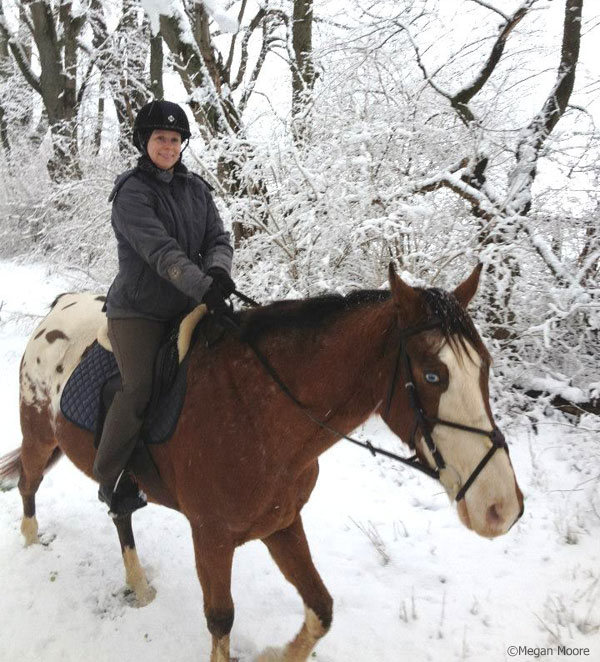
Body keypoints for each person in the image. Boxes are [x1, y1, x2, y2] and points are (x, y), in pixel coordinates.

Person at [93, 100, 235, 517]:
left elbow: (218, 238)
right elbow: (161, 253)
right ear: (144, 142)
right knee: (140, 386)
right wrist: (205, 286)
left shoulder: (196, 189)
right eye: (161, 139)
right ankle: (112, 476)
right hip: (140, 312)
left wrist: (219, 272)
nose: (169, 146)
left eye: (175, 140)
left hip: (190, 303)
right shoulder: (131, 193)